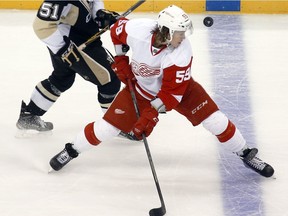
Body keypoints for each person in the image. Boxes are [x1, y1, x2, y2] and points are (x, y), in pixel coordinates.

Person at [49, 5, 274, 178]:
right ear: (165, 31)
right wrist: (120, 58)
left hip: (180, 90)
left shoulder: (181, 52)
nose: (183, 38)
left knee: (216, 120)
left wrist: (150, 114)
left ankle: (245, 153)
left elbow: (171, 95)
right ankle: (71, 150)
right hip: (140, 89)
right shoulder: (139, 30)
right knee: (106, 128)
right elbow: (117, 31)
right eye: (179, 33)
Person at [16, 0, 122, 133]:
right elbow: (41, 26)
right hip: (71, 44)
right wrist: (63, 50)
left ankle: (29, 115)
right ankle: (116, 125)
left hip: (76, 39)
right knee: (110, 79)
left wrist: (100, 15)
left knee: (62, 78)